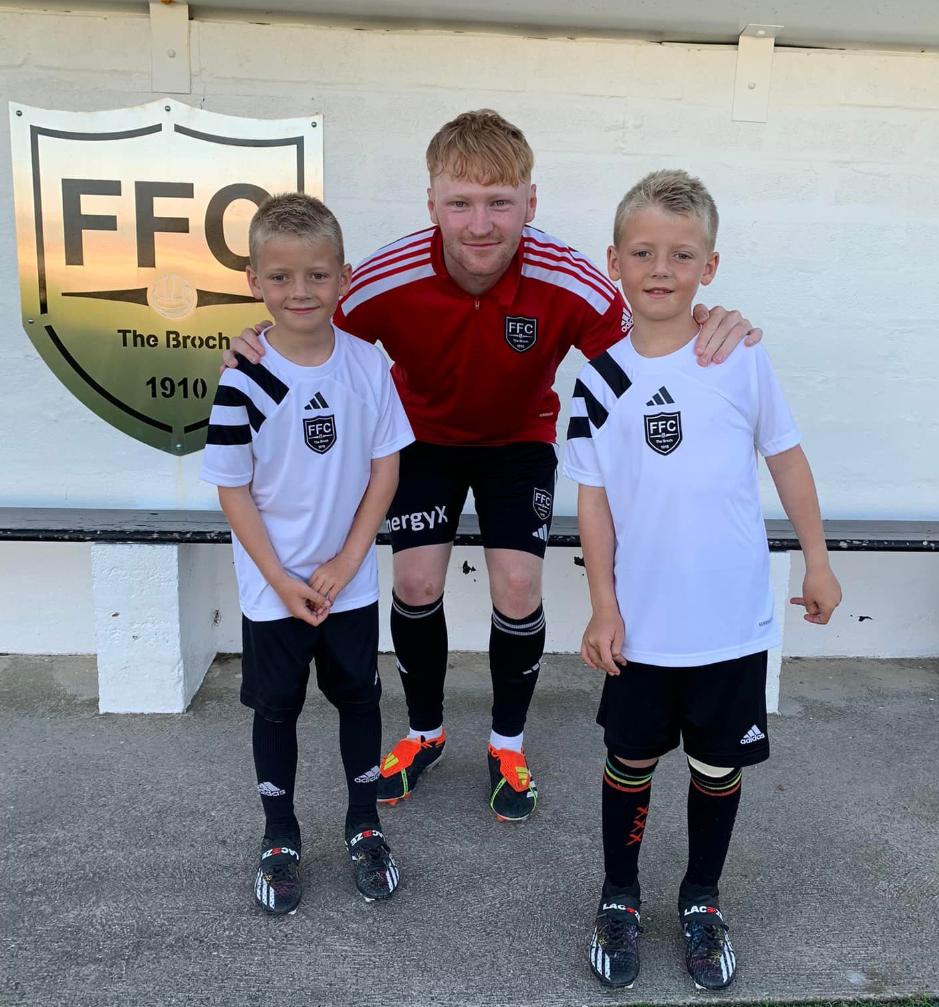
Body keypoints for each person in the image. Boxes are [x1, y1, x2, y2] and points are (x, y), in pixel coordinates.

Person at [224, 110, 763, 823]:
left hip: (519, 440)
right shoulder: (384, 278)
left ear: (529, 203)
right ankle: (425, 731)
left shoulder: (569, 278)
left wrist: (712, 321)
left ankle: (507, 742)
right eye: (461, 203)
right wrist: (252, 342)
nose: (480, 224)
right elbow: (305, 322)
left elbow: (649, 335)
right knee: (416, 580)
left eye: (499, 203)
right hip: (422, 439)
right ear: (432, 205)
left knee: (515, 583)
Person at [563, 170, 841, 990]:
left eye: (682, 254)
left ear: (709, 266)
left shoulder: (738, 355)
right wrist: (603, 605)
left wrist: (818, 559)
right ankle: (619, 895)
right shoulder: (598, 380)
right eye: (643, 252)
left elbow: (786, 458)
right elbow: (593, 501)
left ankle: (701, 897)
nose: (662, 268)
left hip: (728, 622)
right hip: (642, 624)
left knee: (717, 767)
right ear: (614, 260)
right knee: (630, 757)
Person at [201, 193, 414, 914]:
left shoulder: (366, 365)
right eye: (281, 276)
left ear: (343, 277)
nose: (301, 291)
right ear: (254, 281)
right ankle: (280, 835)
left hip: (346, 583)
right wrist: (279, 578)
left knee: (360, 699)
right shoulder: (244, 378)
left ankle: (364, 824)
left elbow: (385, 467)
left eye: (318, 275)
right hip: (274, 590)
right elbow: (233, 488)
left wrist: (350, 560)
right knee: (276, 710)